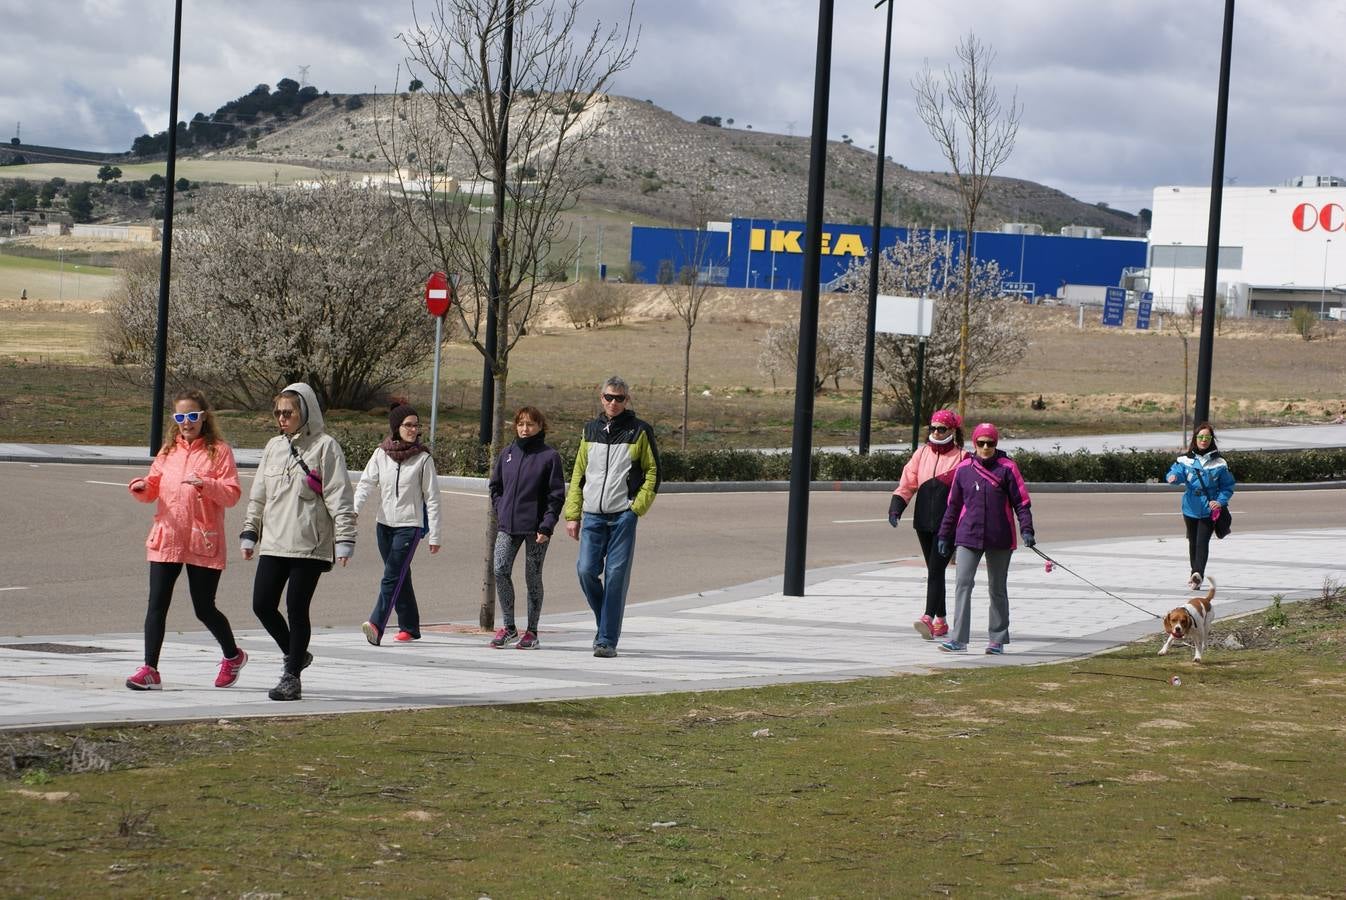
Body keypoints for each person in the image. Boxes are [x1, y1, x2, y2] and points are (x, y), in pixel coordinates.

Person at [240, 382, 356, 701]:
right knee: (261, 604)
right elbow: (258, 496)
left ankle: (291, 676)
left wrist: (345, 537)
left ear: (304, 412)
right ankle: (296, 653)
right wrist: (250, 531)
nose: (281, 418)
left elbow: (339, 495)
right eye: (277, 412)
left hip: (310, 543)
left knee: (296, 606)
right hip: (275, 541)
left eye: (287, 412)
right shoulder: (273, 448)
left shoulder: (326, 447)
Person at [126, 390, 246, 690]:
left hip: (201, 539)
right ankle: (150, 669)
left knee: (203, 608)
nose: (186, 423)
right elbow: (153, 487)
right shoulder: (168, 452)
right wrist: (141, 486)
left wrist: (206, 484)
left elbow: (231, 495)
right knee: (156, 605)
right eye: (180, 417)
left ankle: (233, 656)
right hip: (167, 537)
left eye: (192, 416)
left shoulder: (218, 451)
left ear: (204, 417)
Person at [563, 377, 660, 658]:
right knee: (585, 570)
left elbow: (653, 472)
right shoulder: (589, 430)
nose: (613, 403)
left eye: (619, 398)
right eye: (609, 397)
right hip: (592, 514)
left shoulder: (640, 431)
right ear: (600, 397)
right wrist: (573, 514)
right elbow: (579, 473)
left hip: (622, 516)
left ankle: (606, 640)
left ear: (627, 400)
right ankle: (605, 621)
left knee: (616, 576)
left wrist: (635, 509)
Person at [936, 422, 1035, 655]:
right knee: (962, 585)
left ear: (996, 444)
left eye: (990, 443)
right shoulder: (964, 469)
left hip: (1000, 537)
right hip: (968, 536)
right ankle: (958, 640)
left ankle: (997, 639)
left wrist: (1027, 530)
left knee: (997, 588)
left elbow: (1022, 502)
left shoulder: (1008, 468)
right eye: (981, 443)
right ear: (975, 443)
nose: (986, 447)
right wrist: (944, 534)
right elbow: (953, 506)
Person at [354, 403, 441, 646]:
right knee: (400, 574)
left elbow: (432, 498)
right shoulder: (381, 454)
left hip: (409, 526)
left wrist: (435, 534)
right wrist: (353, 510)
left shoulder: (423, 459)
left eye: (416, 425)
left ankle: (376, 624)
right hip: (383, 525)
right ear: (396, 427)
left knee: (391, 575)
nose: (413, 429)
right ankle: (410, 626)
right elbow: (365, 483)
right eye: (408, 425)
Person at [488, 406, 566, 649]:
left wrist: (547, 525)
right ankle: (509, 627)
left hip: (537, 529)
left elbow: (556, 495)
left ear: (540, 427)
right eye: (521, 424)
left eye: (530, 424)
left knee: (532, 577)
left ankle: (532, 631)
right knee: (500, 569)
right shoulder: (507, 454)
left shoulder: (549, 456)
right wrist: (501, 509)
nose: (525, 429)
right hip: (507, 526)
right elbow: (496, 486)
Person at [888, 409, 969, 641]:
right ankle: (941, 621)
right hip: (923, 522)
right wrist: (896, 507)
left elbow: (968, 495)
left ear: (953, 431)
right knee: (936, 571)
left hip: (948, 525)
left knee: (935, 570)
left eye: (941, 429)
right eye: (933, 428)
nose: (936, 432)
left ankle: (928, 617)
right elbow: (908, 482)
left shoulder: (963, 459)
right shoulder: (921, 454)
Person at [1166, 422, 1235, 590]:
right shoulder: (1185, 460)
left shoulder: (1219, 463)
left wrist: (1219, 501)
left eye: (1207, 437)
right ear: (1195, 439)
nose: (1203, 440)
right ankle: (1194, 572)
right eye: (1200, 437)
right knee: (1193, 541)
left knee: (1202, 542)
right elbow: (1176, 472)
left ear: (1211, 440)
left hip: (1208, 509)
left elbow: (1227, 487)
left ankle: (1198, 574)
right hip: (1190, 507)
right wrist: (1173, 477)